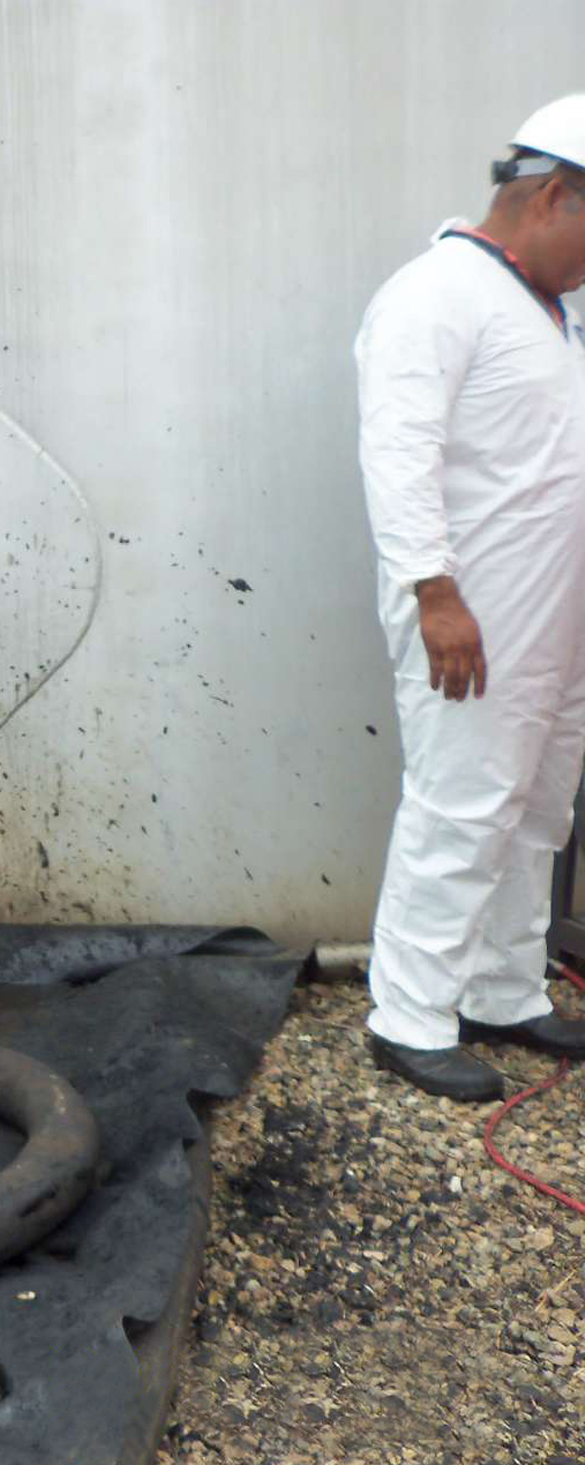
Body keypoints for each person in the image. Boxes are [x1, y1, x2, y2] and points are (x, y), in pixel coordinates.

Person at [356, 95, 585, 1100]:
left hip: (553, 616)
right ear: (552, 195)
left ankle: (501, 986)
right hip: (472, 616)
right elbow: (399, 450)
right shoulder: (437, 293)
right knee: (462, 806)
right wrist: (434, 593)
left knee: (536, 807)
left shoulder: (545, 305)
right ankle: (407, 1014)